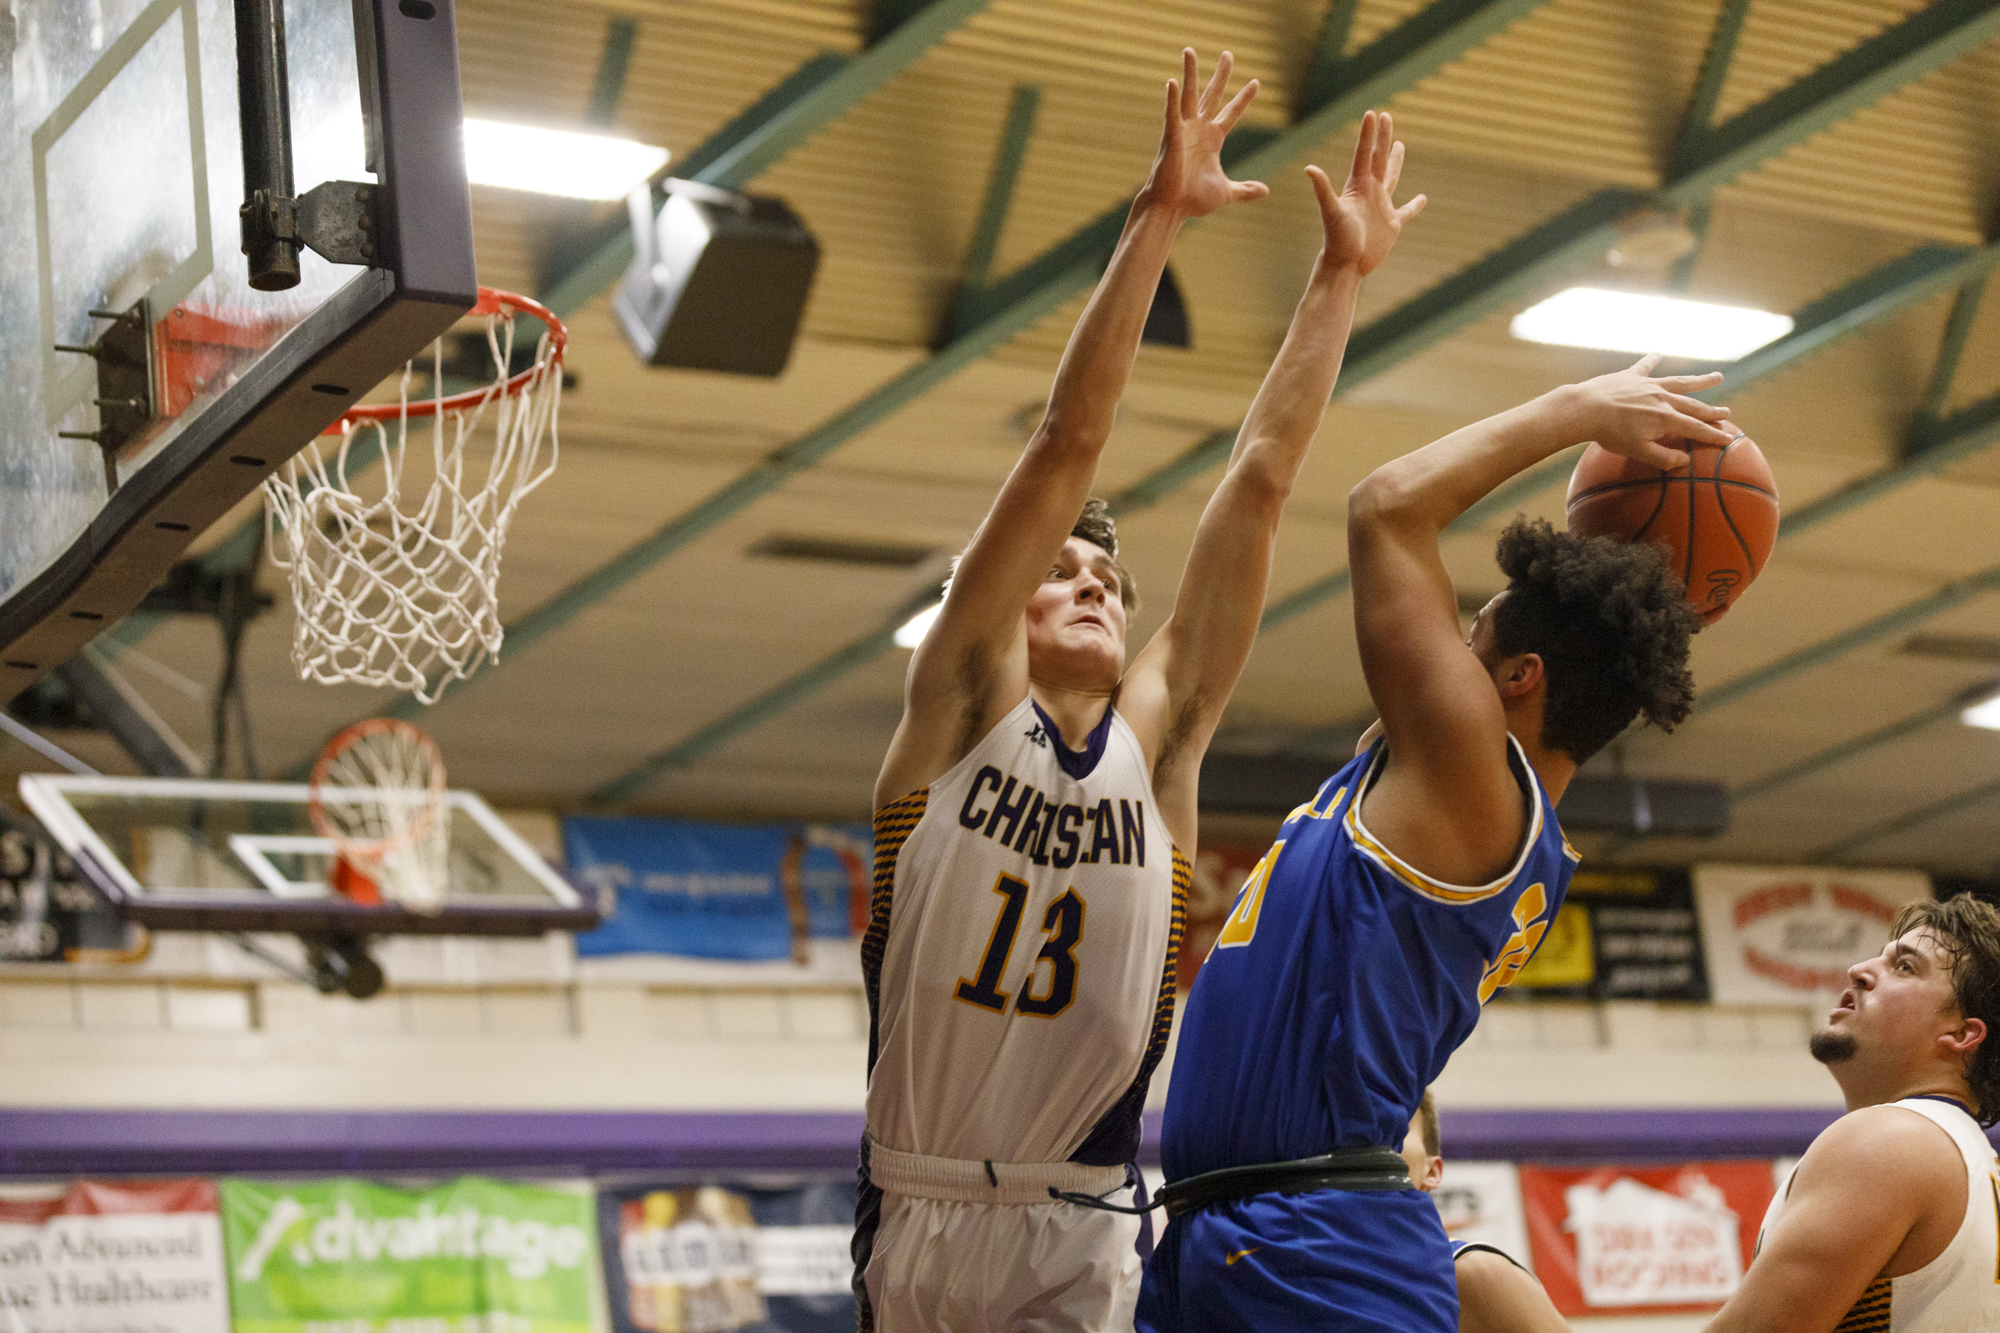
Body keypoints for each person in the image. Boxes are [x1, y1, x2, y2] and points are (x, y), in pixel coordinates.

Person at [853, 46, 1428, 1333]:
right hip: (919, 1206)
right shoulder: (954, 708)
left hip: (1087, 1217)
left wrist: (1338, 278)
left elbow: (1264, 476)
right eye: (1057, 569)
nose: (1094, 581)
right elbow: (1067, 441)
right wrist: (1156, 219)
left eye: (1108, 573)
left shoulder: (1159, 741)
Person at [1137, 358, 1730, 1332]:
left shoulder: (1471, 777)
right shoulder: (1446, 793)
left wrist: (1572, 409)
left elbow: (1384, 506)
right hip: (1245, 1227)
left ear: (1517, 680)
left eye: (1469, 637)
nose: (1442, 648)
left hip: (1314, 1242)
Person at [1702, 895, 2000, 1331]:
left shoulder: (1891, 1141)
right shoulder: (1974, 1163)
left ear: (1960, 1034)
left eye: (1905, 967)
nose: (1859, 970)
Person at [1396, 1093, 1570, 1333]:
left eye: (1394, 1127)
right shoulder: (1328, 1273)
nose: (1370, 1147)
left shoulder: (1473, 1275)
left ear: (1432, 1171)